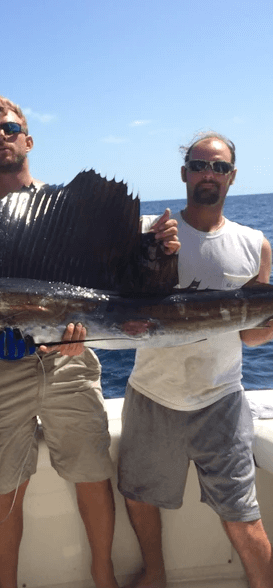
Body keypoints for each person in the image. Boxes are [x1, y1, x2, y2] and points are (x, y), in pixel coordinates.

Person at [0, 96, 179, 588]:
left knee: (93, 474)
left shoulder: (69, 209)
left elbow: (125, 281)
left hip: (71, 360)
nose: (1, 135)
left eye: (10, 128)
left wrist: (162, 246)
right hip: (0, 371)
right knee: (5, 487)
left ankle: (103, 577)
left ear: (28, 139)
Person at [118, 132, 273, 588]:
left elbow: (251, 337)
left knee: (242, 512)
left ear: (232, 177)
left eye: (219, 167)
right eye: (200, 165)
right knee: (140, 497)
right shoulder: (150, 228)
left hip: (221, 399)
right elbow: (119, 297)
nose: (210, 174)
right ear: (184, 173)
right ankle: (156, 574)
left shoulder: (255, 244)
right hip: (152, 393)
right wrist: (148, 251)